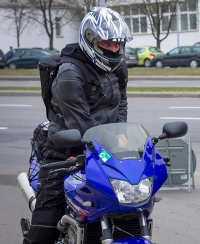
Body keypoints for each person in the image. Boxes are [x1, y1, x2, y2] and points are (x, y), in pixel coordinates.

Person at [23, 7, 132, 244]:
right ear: (90, 40)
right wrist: (114, 140)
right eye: (107, 44)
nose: (114, 49)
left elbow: (121, 102)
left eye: (118, 44)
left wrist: (122, 133)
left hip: (104, 148)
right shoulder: (69, 72)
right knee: (45, 225)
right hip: (66, 149)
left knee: (128, 208)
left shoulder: (118, 66)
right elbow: (80, 122)